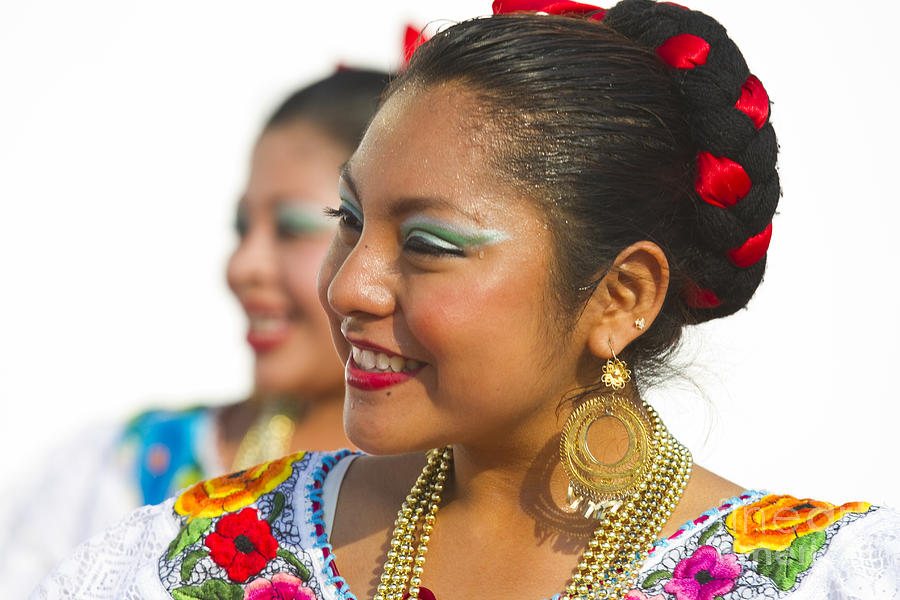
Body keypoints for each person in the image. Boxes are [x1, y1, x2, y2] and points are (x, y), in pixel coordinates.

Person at [32, 1, 900, 598]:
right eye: (349, 220)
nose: (347, 286)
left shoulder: (831, 577)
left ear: (619, 296)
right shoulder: (195, 558)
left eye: (428, 245)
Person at [6, 68, 390, 596]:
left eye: (291, 229)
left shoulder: (476, 500)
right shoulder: (124, 472)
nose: (242, 266)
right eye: (242, 227)